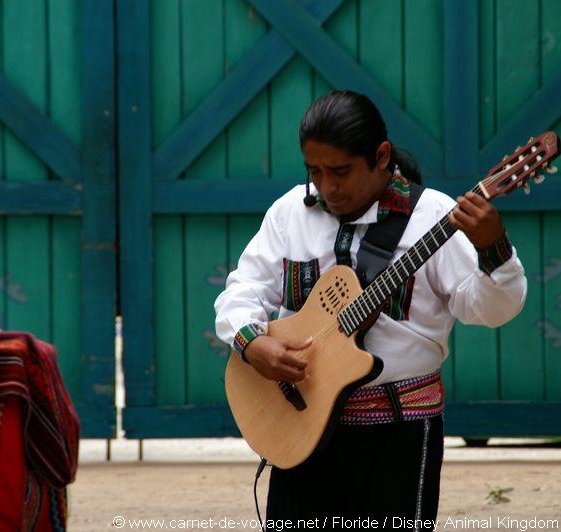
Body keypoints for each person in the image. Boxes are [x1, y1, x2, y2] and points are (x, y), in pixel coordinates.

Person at [214, 90, 527, 529]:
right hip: (298, 426)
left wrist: (493, 246)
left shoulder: (434, 216)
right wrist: (252, 343)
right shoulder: (290, 213)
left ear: (381, 156)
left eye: (340, 171)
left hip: (398, 435)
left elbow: (492, 310)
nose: (326, 186)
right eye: (314, 171)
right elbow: (243, 290)